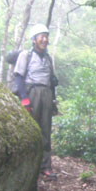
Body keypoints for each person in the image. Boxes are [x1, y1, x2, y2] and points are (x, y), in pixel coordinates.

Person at [14, 23, 58, 180]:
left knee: (46, 131)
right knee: (30, 130)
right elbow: (18, 77)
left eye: (46, 36)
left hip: (46, 94)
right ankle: (25, 165)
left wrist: (53, 101)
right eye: (41, 37)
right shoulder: (26, 55)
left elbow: (52, 82)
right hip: (32, 93)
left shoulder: (48, 58)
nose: (45, 39)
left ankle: (45, 166)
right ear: (34, 39)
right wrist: (25, 99)